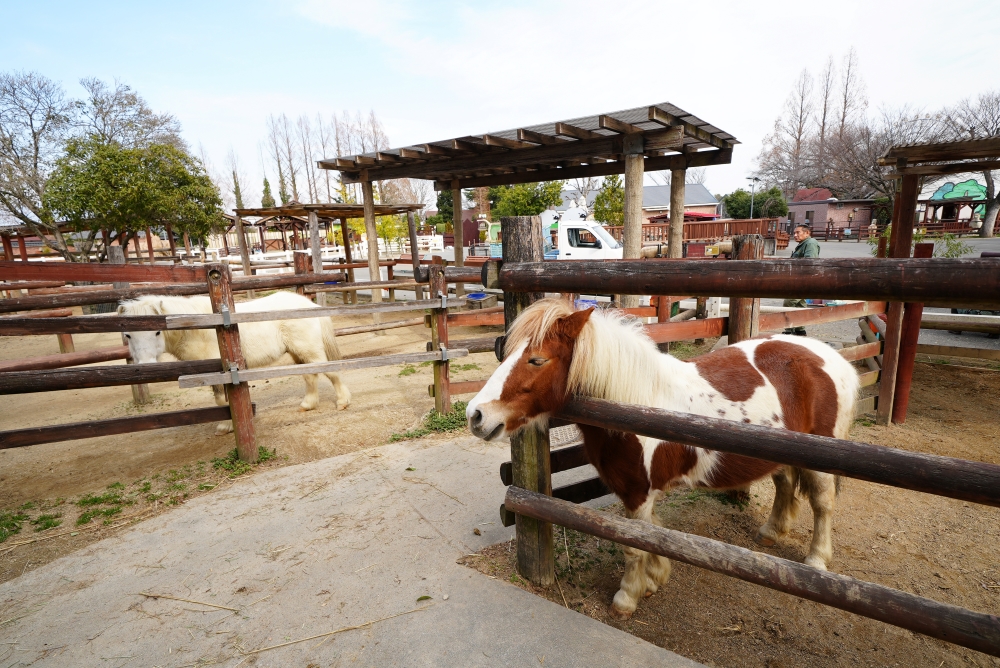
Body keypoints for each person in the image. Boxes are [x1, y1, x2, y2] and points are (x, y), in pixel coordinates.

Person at [783, 224, 820, 335]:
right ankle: (800, 330)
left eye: (798, 232)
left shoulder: (810, 243)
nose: (795, 235)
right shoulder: (803, 244)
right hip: (800, 279)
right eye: (794, 233)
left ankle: (788, 331)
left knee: (789, 302)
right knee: (800, 304)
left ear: (807, 233)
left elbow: (810, 262)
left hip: (802, 280)